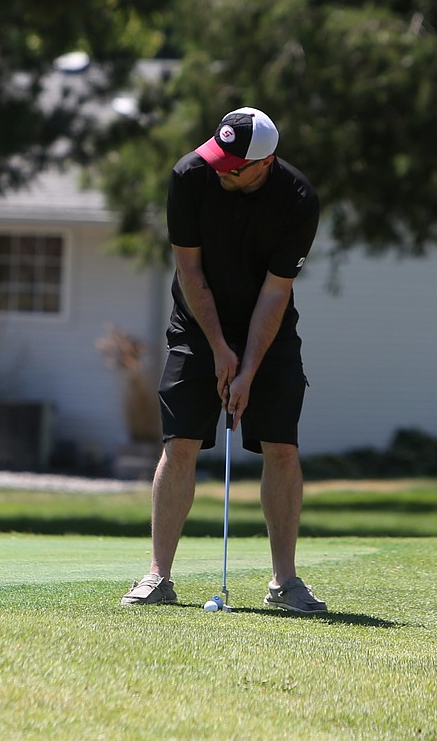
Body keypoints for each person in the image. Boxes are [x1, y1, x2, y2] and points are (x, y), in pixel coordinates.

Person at [121, 107, 326, 613]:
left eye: (232, 166)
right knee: (181, 442)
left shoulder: (298, 200)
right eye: (218, 157)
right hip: (196, 322)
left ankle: (285, 584)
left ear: (264, 163)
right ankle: (158, 577)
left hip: (267, 329)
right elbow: (189, 271)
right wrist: (218, 350)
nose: (220, 169)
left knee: (281, 447)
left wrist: (248, 367)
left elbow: (275, 295)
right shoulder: (190, 176)